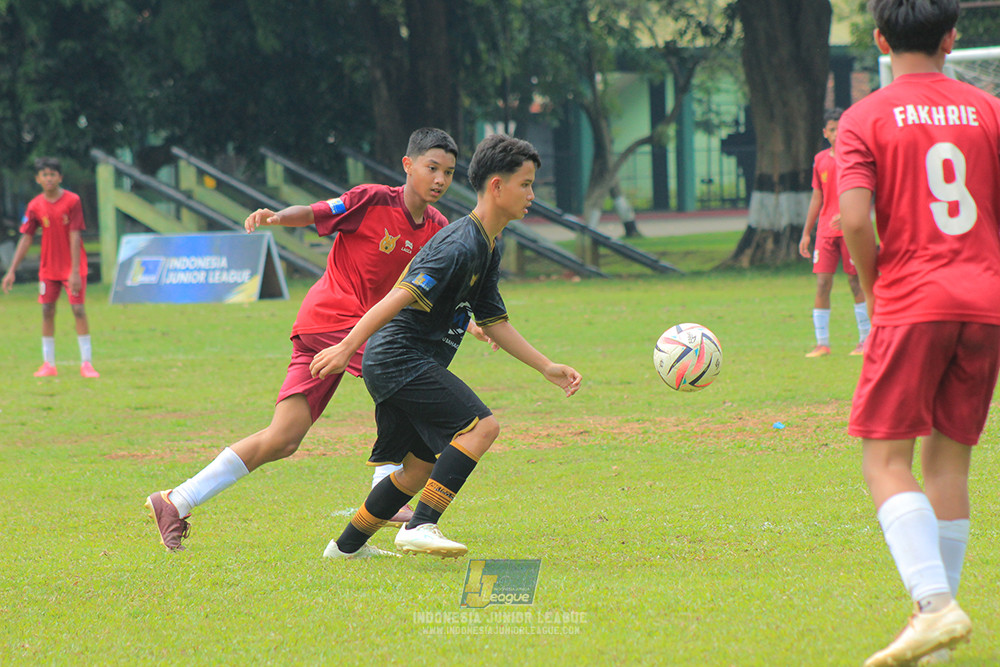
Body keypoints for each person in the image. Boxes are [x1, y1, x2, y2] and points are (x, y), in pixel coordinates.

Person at [145, 128, 477, 551]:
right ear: (408, 166)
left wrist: (471, 322)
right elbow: (318, 212)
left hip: (355, 333)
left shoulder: (437, 227)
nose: (440, 179)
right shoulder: (373, 199)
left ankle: (176, 499)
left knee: (283, 438)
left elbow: (432, 291)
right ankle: (387, 487)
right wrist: (278, 217)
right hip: (331, 320)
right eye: (432, 168)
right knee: (402, 369)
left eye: (448, 172)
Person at [317, 133, 582, 560]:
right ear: (496, 186)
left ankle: (345, 548)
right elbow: (398, 295)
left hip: (401, 360)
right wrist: (348, 346)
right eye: (526, 183)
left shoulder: (488, 245)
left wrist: (546, 366)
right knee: (482, 427)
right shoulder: (461, 244)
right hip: (399, 357)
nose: (532, 194)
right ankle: (421, 526)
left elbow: (493, 320)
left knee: (417, 469)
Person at [838, 1, 1000, 665]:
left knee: (885, 459)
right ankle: (933, 636)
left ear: (879, 39)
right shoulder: (990, 111)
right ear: (952, 38)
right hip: (985, 303)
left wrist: (879, 292)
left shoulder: (865, 116)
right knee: (949, 461)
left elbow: (852, 218)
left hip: (913, 300)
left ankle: (934, 605)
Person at [2, 158, 100, 378]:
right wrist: (11, 270)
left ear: (60, 177)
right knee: (47, 311)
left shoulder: (72, 201)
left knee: (78, 309)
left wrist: (74, 271)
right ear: (38, 179)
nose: (48, 178)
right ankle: (49, 364)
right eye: (44, 175)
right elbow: (26, 238)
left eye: (52, 174)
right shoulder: (35, 205)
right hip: (48, 269)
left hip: (73, 267)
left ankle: (87, 363)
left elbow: (75, 235)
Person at [798, 108, 870, 358]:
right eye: (832, 129)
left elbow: (869, 190)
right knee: (822, 283)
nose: (837, 133)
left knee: (856, 282)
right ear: (825, 133)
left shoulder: (857, 159)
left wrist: (852, 213)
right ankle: (822, 344)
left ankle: (866, 340)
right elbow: (817, 196)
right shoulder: (820, 160)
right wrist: (807, 232)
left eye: (841, 128)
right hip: (826, 232)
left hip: (851, 230)